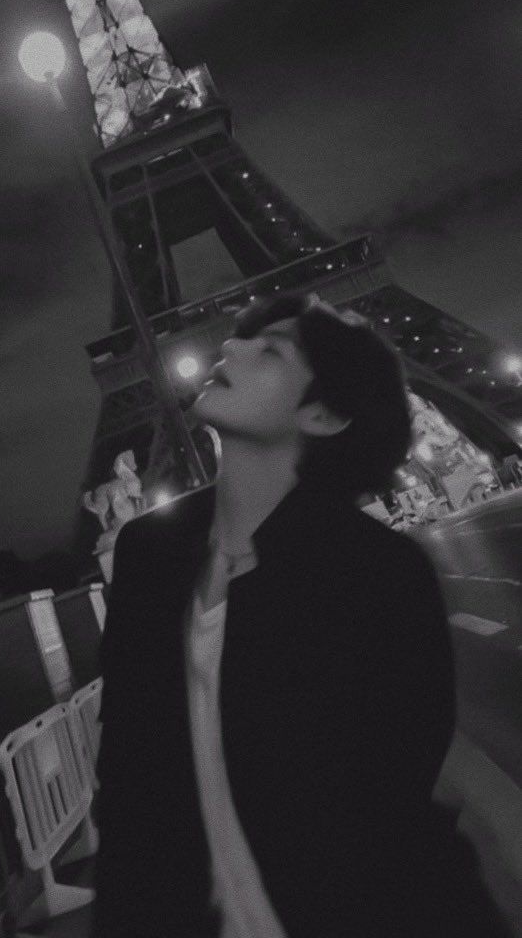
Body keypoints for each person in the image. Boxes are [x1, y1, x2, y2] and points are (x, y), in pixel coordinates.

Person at [93, 291, 509, 938]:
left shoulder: (381, 572)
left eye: (271, 350)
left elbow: (389, 807)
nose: (228, 347)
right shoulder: (148, 553)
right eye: (240, 339)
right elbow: (128, 784)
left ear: (322, 413)